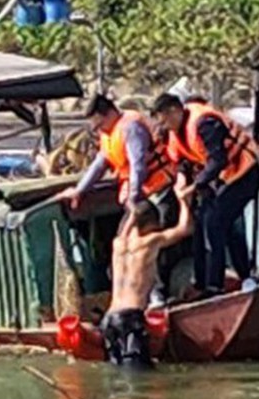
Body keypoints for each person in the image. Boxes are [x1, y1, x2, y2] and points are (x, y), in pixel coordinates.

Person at [56, 94, 178, 304]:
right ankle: (138, 295)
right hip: (140, 196)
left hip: (159, 192)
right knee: (123, 243)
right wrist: (80, 190)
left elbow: (138, 164)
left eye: (100, 124)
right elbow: (100, 164)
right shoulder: (109, 133)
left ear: (110, 114)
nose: (98, 130)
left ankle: (159, 294)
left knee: (151, 244)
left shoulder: (131, 128)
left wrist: (133, 197)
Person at [153, 93, 259, 299]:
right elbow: (183, 163)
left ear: (175, 111)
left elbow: (217, 160)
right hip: (223, 180)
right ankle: (203, 281)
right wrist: (182, 180)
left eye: (165, 121)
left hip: (245, 175)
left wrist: (194, 187)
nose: (165, 127)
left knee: (215, 222)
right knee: (203, 221)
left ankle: (216, 285)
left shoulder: (205, 123)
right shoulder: (176, 133)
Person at [102, 180, 193, 368]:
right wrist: (183, 200)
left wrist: (131, 210)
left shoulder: (118, 244)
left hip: (109, 319)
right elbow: (186, 228)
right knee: (138, 376)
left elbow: (131, 221)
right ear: (150, 223)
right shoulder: (150, 242)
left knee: (117, 375)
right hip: (130, 318)